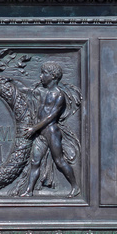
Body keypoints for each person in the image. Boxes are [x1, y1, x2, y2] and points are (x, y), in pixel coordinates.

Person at [22, 61, 80, 197]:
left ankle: (75, 187)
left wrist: (33, 128)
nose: (41, 76)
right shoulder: (41, 91)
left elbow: (50, 117)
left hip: (51, 132)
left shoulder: (59, 96)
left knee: (59, 161)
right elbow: (29, 93)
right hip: (40, 133)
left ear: (53, 76)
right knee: (34, 161)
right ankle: (29, 191)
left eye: (44, 74)